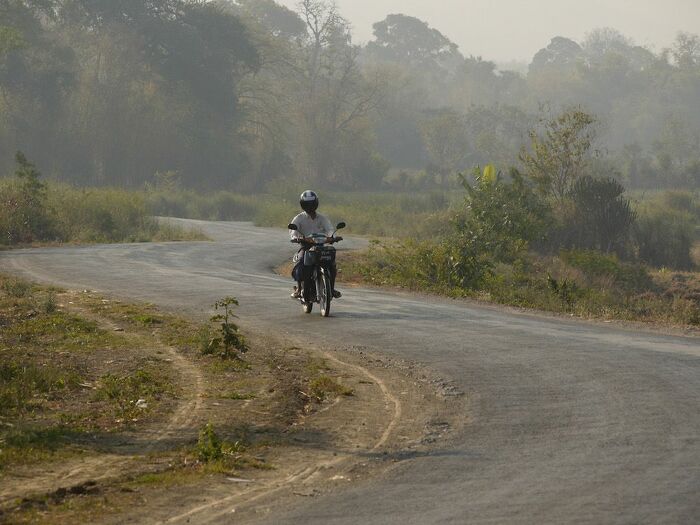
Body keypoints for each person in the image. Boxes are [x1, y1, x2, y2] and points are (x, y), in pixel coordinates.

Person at [289, 190, 341, 299]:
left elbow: (330, 229)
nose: (310, 206)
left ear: (316, 203)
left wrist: (332, 237)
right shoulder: (299, 218)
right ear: (302, 205)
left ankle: (331, 288)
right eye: (307, 204)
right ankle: (299, 289)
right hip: (306, 247)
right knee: (300, 262)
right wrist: (296, 238)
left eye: (312, 204)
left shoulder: (322, 218)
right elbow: (293, 231)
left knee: (331, 264)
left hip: (321, 247)